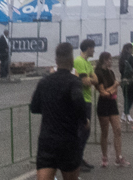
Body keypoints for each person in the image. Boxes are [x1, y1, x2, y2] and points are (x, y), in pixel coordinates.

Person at [31, 42, 87, 180]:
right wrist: (84, 120)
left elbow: (34, 107)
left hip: (47, 141)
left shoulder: (44, 82)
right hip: (68, 140)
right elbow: (79, 102)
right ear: (71, 60)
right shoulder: (74, 82)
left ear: (56, 61)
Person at [94, 52, 127, 167]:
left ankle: (119, 157)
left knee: (117, 129)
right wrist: (115, 86)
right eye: (109, 59)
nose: (111, 61)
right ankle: (104, 156)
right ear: (104, 60)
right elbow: (103, 92)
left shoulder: (111, 72)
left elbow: (112, 92)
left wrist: (111, 89)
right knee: (105, 132)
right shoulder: (98, 73)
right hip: (103, 104)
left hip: (112, 103)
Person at [73, 39, 97, 172]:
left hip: (88, 100)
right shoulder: (79, 62)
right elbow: (86, 82)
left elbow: (95, 79)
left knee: (85, 132)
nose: (94, 51)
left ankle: (79, 157)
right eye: (93, 48)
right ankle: (76, 160)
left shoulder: (88, 63)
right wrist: (91, 80)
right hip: (81, 100)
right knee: (82, 131)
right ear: (88, 48)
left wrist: (91, 79)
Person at [119, 43, 133, 120]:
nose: (132, 50)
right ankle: (127, 114)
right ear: (129, 49)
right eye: (131, 48)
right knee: (131, 97)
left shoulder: (121, 58)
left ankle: (124, 114)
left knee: (126, 97)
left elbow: (120, 70)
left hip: (123, 79)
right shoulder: (131, 58)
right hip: (131, 80)